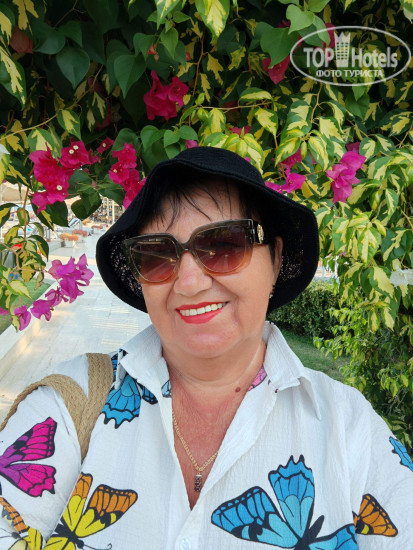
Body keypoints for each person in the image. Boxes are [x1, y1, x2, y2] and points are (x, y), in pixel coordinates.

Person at [0, 147, 412, 550]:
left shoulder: (349, 429)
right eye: (157, 255)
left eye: (225, 244)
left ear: (275, 259)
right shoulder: (70, 404)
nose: (189, 283)